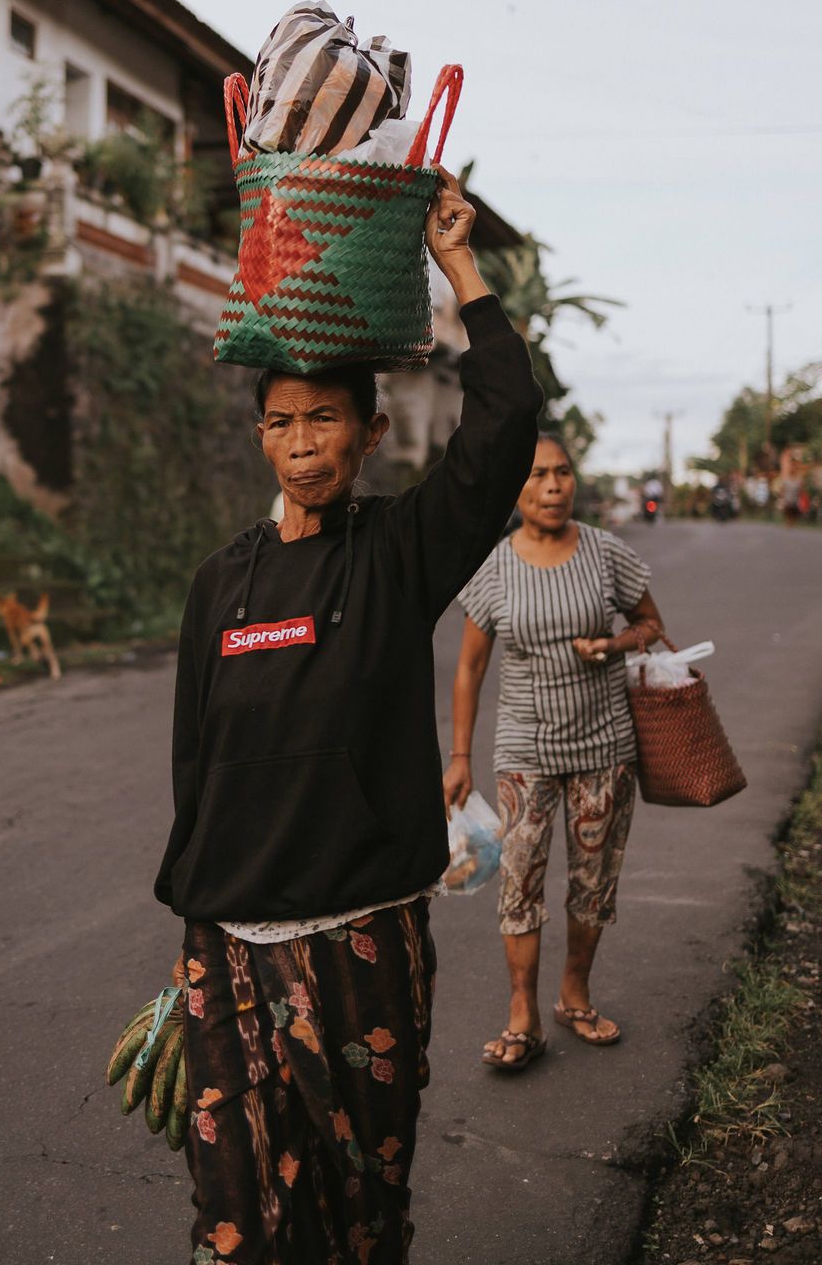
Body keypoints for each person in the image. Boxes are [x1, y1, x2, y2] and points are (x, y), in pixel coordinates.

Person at [154, 167, 542, 1262]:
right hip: (225, 942)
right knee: (232, 1208)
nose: (302, 443)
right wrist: (190, 936)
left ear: (369, 436)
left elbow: (505, 424)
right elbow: (199, 768)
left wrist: (461, 268)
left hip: (360, 933)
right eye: (281, 423)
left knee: (362, 1207)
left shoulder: (396, 553)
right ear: (260, 439)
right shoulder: (216, 585)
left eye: (325, 420)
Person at [444, 435, 664, 1071]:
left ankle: (575, 995)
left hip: (604, 744)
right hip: (524, 748)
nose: (552, 486)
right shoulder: (495, 567)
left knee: (594, 880)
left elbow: (652, 625)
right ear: (517, 487)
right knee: (519, 879)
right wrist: (459, 757)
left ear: (575, 480)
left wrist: (612, 647)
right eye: (537, 474)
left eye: (562, 472)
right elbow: (469, 669)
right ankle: (523, 1015)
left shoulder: (604, 552)